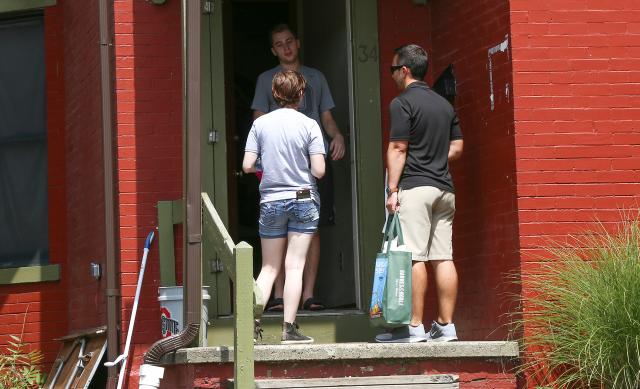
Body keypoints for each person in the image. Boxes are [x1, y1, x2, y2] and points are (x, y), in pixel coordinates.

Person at [251, 23, 345, 312]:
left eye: (289, 41)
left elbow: (326, 117)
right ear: (273, 50)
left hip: (311, 161)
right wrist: (259, 163)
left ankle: (308, 294)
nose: (286, 47)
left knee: (311, 229)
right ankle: (279, 297)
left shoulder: (316, 77)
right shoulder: (266, 79)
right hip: (279, 167)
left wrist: (337, 135)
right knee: (279, 234)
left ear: (298, 43)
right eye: (279, 44)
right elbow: (259, 118)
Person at [376, 44, 463, 343]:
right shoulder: (445, 105)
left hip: (416, 187)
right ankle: (445, 325)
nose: (391, 76)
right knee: (443, 257)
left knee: (413, 257)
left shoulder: (401, 103)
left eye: (392, 70)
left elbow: (398, 147)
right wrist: (435, 158)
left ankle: (413, 327)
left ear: (405, 70)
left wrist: (392, 190)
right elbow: (457, 147)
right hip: (445, 189)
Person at [243, 70, 325, 344]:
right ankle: (289, 330)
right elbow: (319, 170)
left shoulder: (260, 125)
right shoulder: (310, 125)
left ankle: (251, 326)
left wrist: (267, 168)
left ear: (274, 94)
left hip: (271, 201)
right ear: (301, 94)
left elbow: (247, 165)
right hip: (303, 197)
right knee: (294, 266)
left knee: (268, 268)